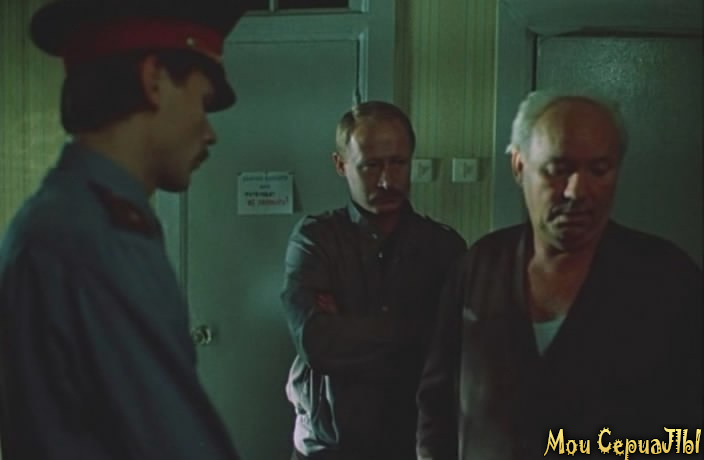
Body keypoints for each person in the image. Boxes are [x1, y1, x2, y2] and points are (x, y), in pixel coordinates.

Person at [0, 1, 249, 459]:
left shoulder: (67, 220)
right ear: (154, 80)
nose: (209, 132)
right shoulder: (94, 238)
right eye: (202, 101)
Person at [416, 90, 703, 460]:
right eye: (558, 169)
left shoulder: (668, 279)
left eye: (599, 170)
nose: (577, 191)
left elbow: (689, 436)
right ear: (519, 166)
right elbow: (436, 401)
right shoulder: (480, 264)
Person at [280, 101, 466, 460]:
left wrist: (353, 329)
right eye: (371, 166)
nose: (386, 180)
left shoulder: (443, 247)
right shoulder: (315, 240)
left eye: (398, 163)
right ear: (341, 164)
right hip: (329, 445)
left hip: (414, 442)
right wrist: (418, 328)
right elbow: (318, 342)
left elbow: (455, 349)